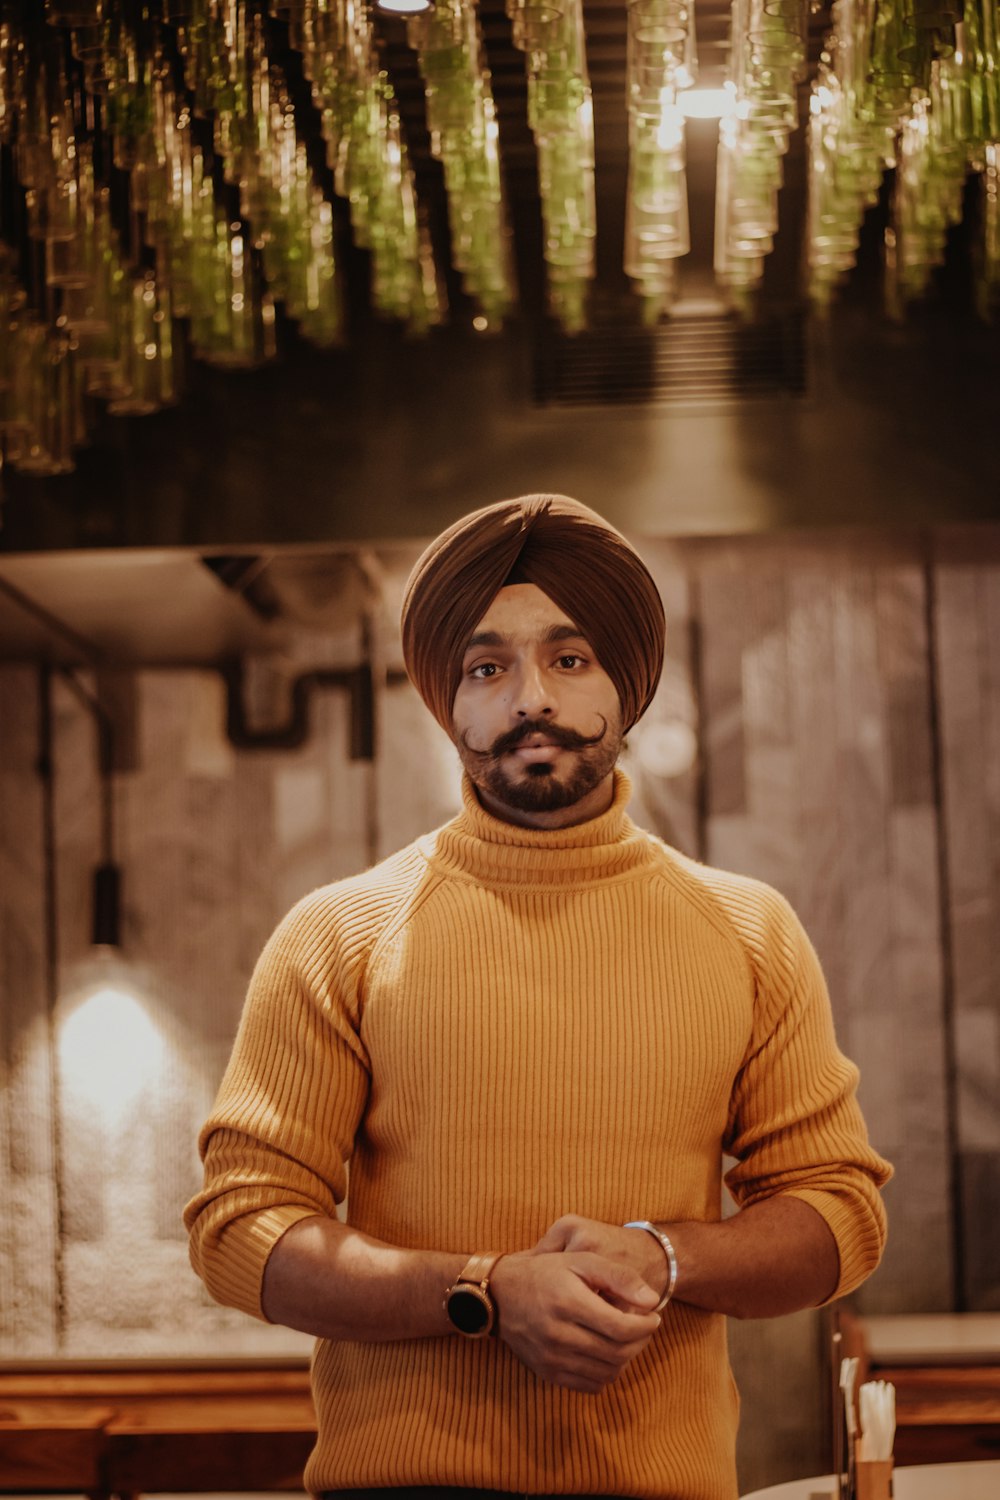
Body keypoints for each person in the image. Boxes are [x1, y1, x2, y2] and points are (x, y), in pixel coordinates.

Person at [185, 494, 892, 1500]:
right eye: (486, 668)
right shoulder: (338, 933)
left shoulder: (747, 931)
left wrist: (663, 1258)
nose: (530, 699)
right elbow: (239, 1228)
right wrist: (482, 1290)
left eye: (569, 660)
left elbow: (840, 1214)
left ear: (624, 685)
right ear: (447, 700)